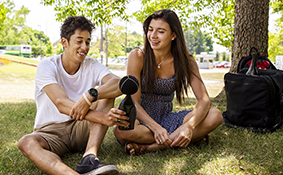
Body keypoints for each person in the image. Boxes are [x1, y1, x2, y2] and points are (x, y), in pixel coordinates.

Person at [17, 16, 129, 175]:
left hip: (82, 128)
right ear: (64, 42)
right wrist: (103, 118)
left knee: (106, 93)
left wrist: (91, 95)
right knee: (26, 143)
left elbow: (118, 83)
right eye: (79, 41)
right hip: (50, 132)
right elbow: (61, 103)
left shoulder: (91, 64)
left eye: (88, 42)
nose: (85, 47)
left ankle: (89, 158)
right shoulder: (47, 66)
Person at [113, 9, 223, 155]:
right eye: (150, 30)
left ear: (173, 35)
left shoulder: (186, 60)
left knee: (215, 116)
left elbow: (204, 100)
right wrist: (156, 128)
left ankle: (151, 147)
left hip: (166, 117)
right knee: (122, 131)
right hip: (139, 117)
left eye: (161, 31)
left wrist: (189, 127)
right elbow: (133, 102)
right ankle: (183, 138)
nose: (153, 35)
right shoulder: (138, 55)